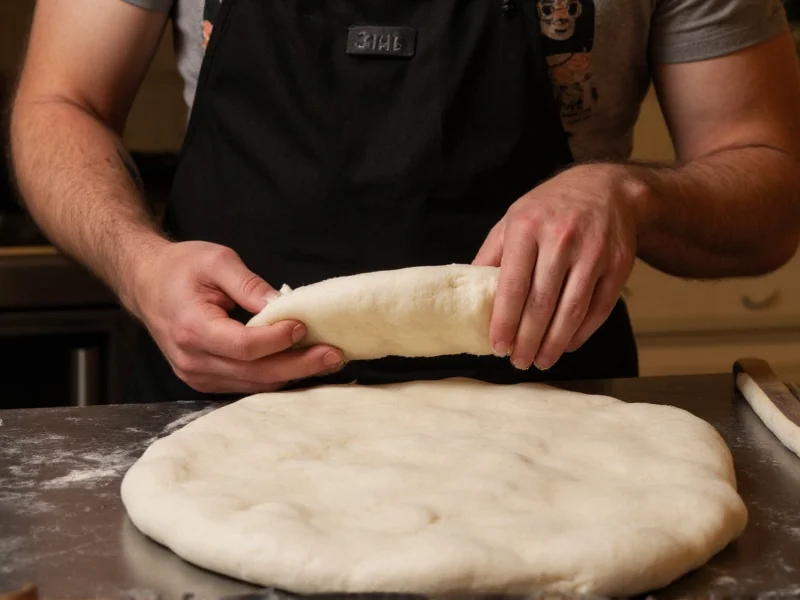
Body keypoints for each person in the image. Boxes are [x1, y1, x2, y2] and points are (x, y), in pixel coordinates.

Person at [9, 0, 800, 403]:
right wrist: (141, 263)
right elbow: (61, 102)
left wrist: (629, 191)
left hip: (552, 427)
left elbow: (768, 188)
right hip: (222, 402)